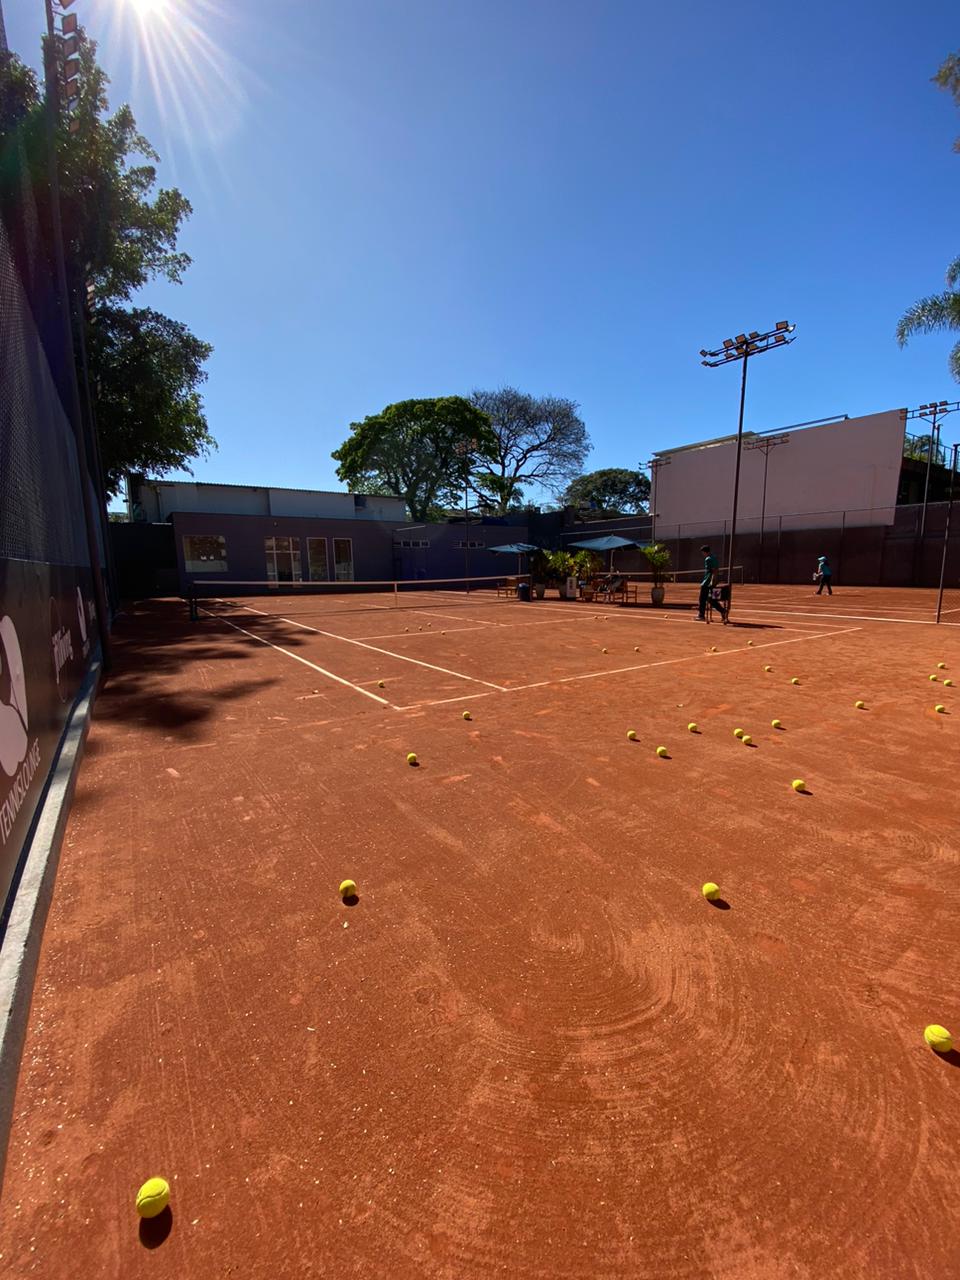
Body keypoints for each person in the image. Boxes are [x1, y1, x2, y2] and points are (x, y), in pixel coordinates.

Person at [697, 545, 726, 622]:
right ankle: (723, 611)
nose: (703, 554)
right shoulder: (714, 558)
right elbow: (716, 570)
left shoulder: (708, 559)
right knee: (711, 599)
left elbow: (713, 571)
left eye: (703, 552)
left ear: (705, 552)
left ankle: (701, 615)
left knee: (702, 599)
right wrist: (714, 581)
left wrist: (711, 581)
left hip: (707, 583)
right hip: (713, 582)